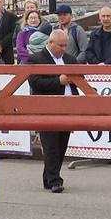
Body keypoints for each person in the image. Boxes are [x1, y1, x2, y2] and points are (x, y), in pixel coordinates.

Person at [30, 27, 77, 192]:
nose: (64, 49)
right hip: (47, 109)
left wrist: (74, 80)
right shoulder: (36, 59)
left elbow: (81, 77)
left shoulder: (70, 59)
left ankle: (48, 178)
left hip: (68, 108)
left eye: (66, 45)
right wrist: (59, 81)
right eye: (61, 46)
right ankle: (55, 180)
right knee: (50, 145)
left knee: (62, 144)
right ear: (50, 42)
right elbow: (35, 83)